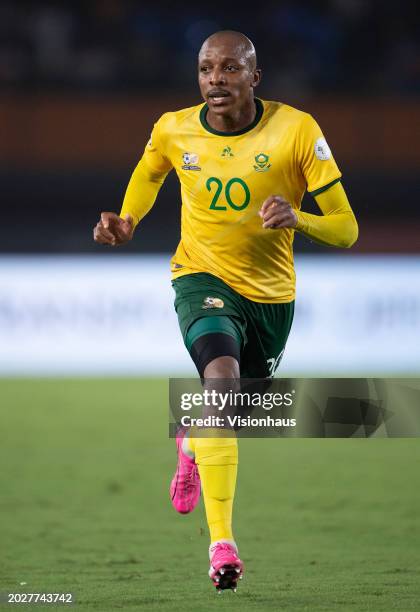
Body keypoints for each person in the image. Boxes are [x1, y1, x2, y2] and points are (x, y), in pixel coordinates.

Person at [93, 30, 358, 592]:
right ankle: (222, 545)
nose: (216, 79)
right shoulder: (173, 127)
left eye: (231, 69)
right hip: (200, 276)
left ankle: (193, 437)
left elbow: (348, 228)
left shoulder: (297, 130)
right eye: (206, 69)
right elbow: (150, 172)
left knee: (236, 409)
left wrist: (300, 218)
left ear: (254, 77)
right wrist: (128, 219)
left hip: (271, 297)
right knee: (222, 382)